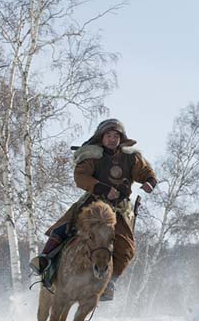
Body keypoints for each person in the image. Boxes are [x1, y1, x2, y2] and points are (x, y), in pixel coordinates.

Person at [30, 119, 157, 300]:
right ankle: (44, 260)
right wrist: (103, 189)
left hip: (119, 210)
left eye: (116, 136)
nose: (112, 139)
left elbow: (145, 172)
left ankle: (109, 282)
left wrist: (149, 182)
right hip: (93, 204)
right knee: (64, 227)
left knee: (127, 247)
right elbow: (80, 177)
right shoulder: (92, 156)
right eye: (108, 135)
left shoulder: (131, 157)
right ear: (101, 137)